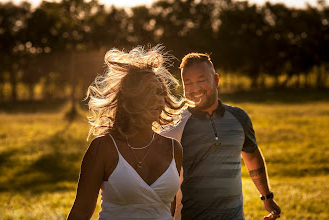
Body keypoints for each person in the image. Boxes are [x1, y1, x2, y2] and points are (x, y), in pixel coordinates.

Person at [67, 46, 192, 220]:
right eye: (149, 92)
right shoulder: (103, 148)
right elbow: (81, 212)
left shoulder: (173, 149)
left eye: (161, 92)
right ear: (131, 98)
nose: (158, 99)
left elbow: (167, 210)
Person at [162, 53, 281, 220]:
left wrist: (267, 198)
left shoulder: (239, 118)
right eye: (187, 83)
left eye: (201, 80)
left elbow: (252, 157)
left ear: (216, 80)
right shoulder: (174, 124)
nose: (194, 88)